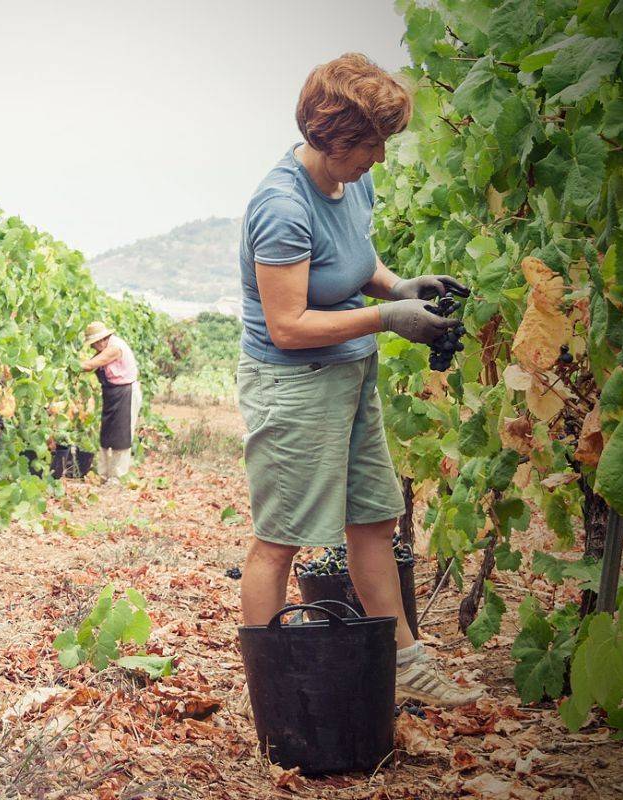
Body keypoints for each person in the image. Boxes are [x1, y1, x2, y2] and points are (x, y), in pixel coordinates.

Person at [236, 53, 481, 708]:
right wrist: (387, 315)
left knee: (373, 520)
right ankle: (272, 691)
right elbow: (285, 324)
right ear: (330, 136)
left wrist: (397, 285)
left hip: (349, 372)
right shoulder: (281, 206)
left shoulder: (354, 182)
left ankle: (404, 663)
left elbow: (357, 256)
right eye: (370, 143)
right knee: (279, 539)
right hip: (292, 384)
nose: (379, 157)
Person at [80, 321, 142, 480]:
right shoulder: (105, 348)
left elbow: (90, 365)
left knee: (121, 435)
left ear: (102, 339)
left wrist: (69, 365)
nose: (94, 347)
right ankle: (104, 473)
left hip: (125, 393)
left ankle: (117, 476)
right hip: (112, 393)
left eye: (94, 343)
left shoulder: (114, 348)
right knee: (107, 434)